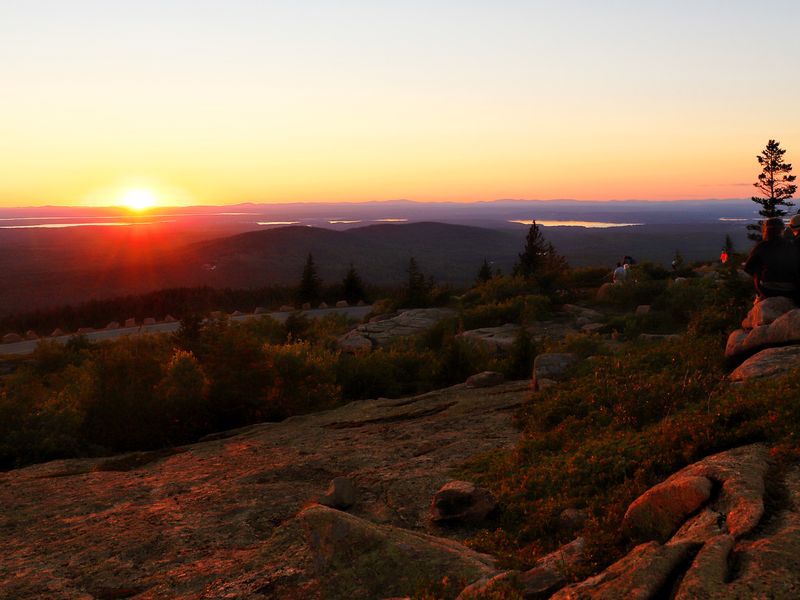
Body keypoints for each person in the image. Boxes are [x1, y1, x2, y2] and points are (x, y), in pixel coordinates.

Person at [743, 217, 800, 301]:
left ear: (766, 230)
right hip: (790, 291)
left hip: (767, 290)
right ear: (782, 230)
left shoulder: (761, 246)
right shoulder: (791, 246)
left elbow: (747, 268)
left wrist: (760, 275)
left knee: (758, 265)